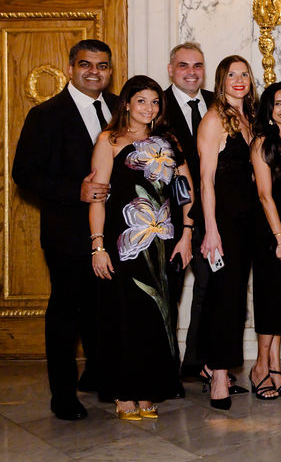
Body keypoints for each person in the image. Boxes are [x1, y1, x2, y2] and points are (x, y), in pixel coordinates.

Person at [12, 39, 118, 420]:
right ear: (71, 67)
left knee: (102, 308)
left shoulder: (121, 107)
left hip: (113, 232)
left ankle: (99, 374)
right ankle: (62, 395)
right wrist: (77, 190)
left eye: (102, 65)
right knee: (66, 312)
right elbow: (23, 173)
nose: (95, 72)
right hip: (66, 232)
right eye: (86, 64)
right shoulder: (47, 114)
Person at [87, 75, 194, 419]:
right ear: (127, 105)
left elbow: (187, 193)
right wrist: (98, 246)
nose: (149, 108)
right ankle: (123, 393)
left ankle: (149, 388)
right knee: (123, 316)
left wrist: (187, 235)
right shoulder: (110, 140)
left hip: (162, 244)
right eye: (142, 101)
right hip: (125, 242)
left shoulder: (169, 141)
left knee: (155, 318)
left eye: (155, 102)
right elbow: (97, 197)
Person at [196, 55, 258, 409]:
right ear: (221, 81)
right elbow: (206, 181)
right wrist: (211, 230)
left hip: (249, 220)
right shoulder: (214, 118)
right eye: (232, 75)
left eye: (244, 74)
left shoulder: (249, 118)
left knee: (235, 300)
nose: (239, 80)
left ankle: (214, 364)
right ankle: (218, 374)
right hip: (224, 223)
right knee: (225, 296)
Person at [160, 42, 217, 383]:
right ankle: (166, 370)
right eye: (183, 66)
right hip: (169, 220)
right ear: (171, 69)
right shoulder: (156, 104)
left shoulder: (218, 104)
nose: (191, 72)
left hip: (211, 219)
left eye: (197, 65)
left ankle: (196, 364)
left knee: (210, 293)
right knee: (168, 294)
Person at [249, 82, 281, 400]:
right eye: (278, 103)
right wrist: (280, 238)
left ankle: (276, 366)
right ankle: (259, 367)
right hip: (269, 230)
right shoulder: (262, 143)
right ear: (268, 109)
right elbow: (265, 195)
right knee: (270, 300)